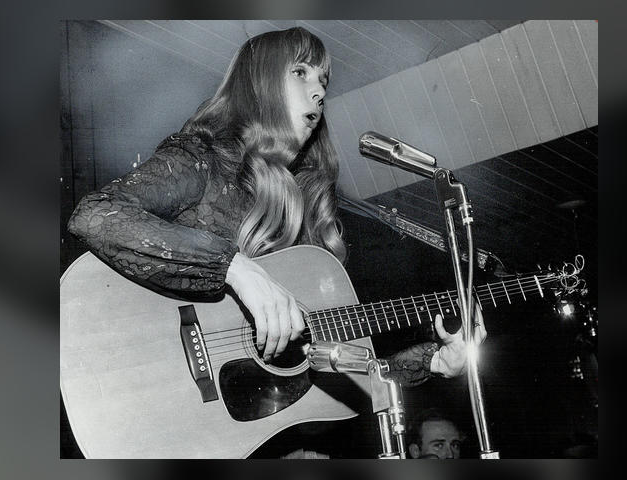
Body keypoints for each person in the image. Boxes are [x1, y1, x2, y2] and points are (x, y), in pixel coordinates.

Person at [68, 26, 481, 424]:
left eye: (323, 81)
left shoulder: (306, 210)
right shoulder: (201, 160)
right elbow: (94, 215)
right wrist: (235, 268)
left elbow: (334, 380)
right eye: (301, 72)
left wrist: (435, 362)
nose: (319, 92)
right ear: (259, 83)